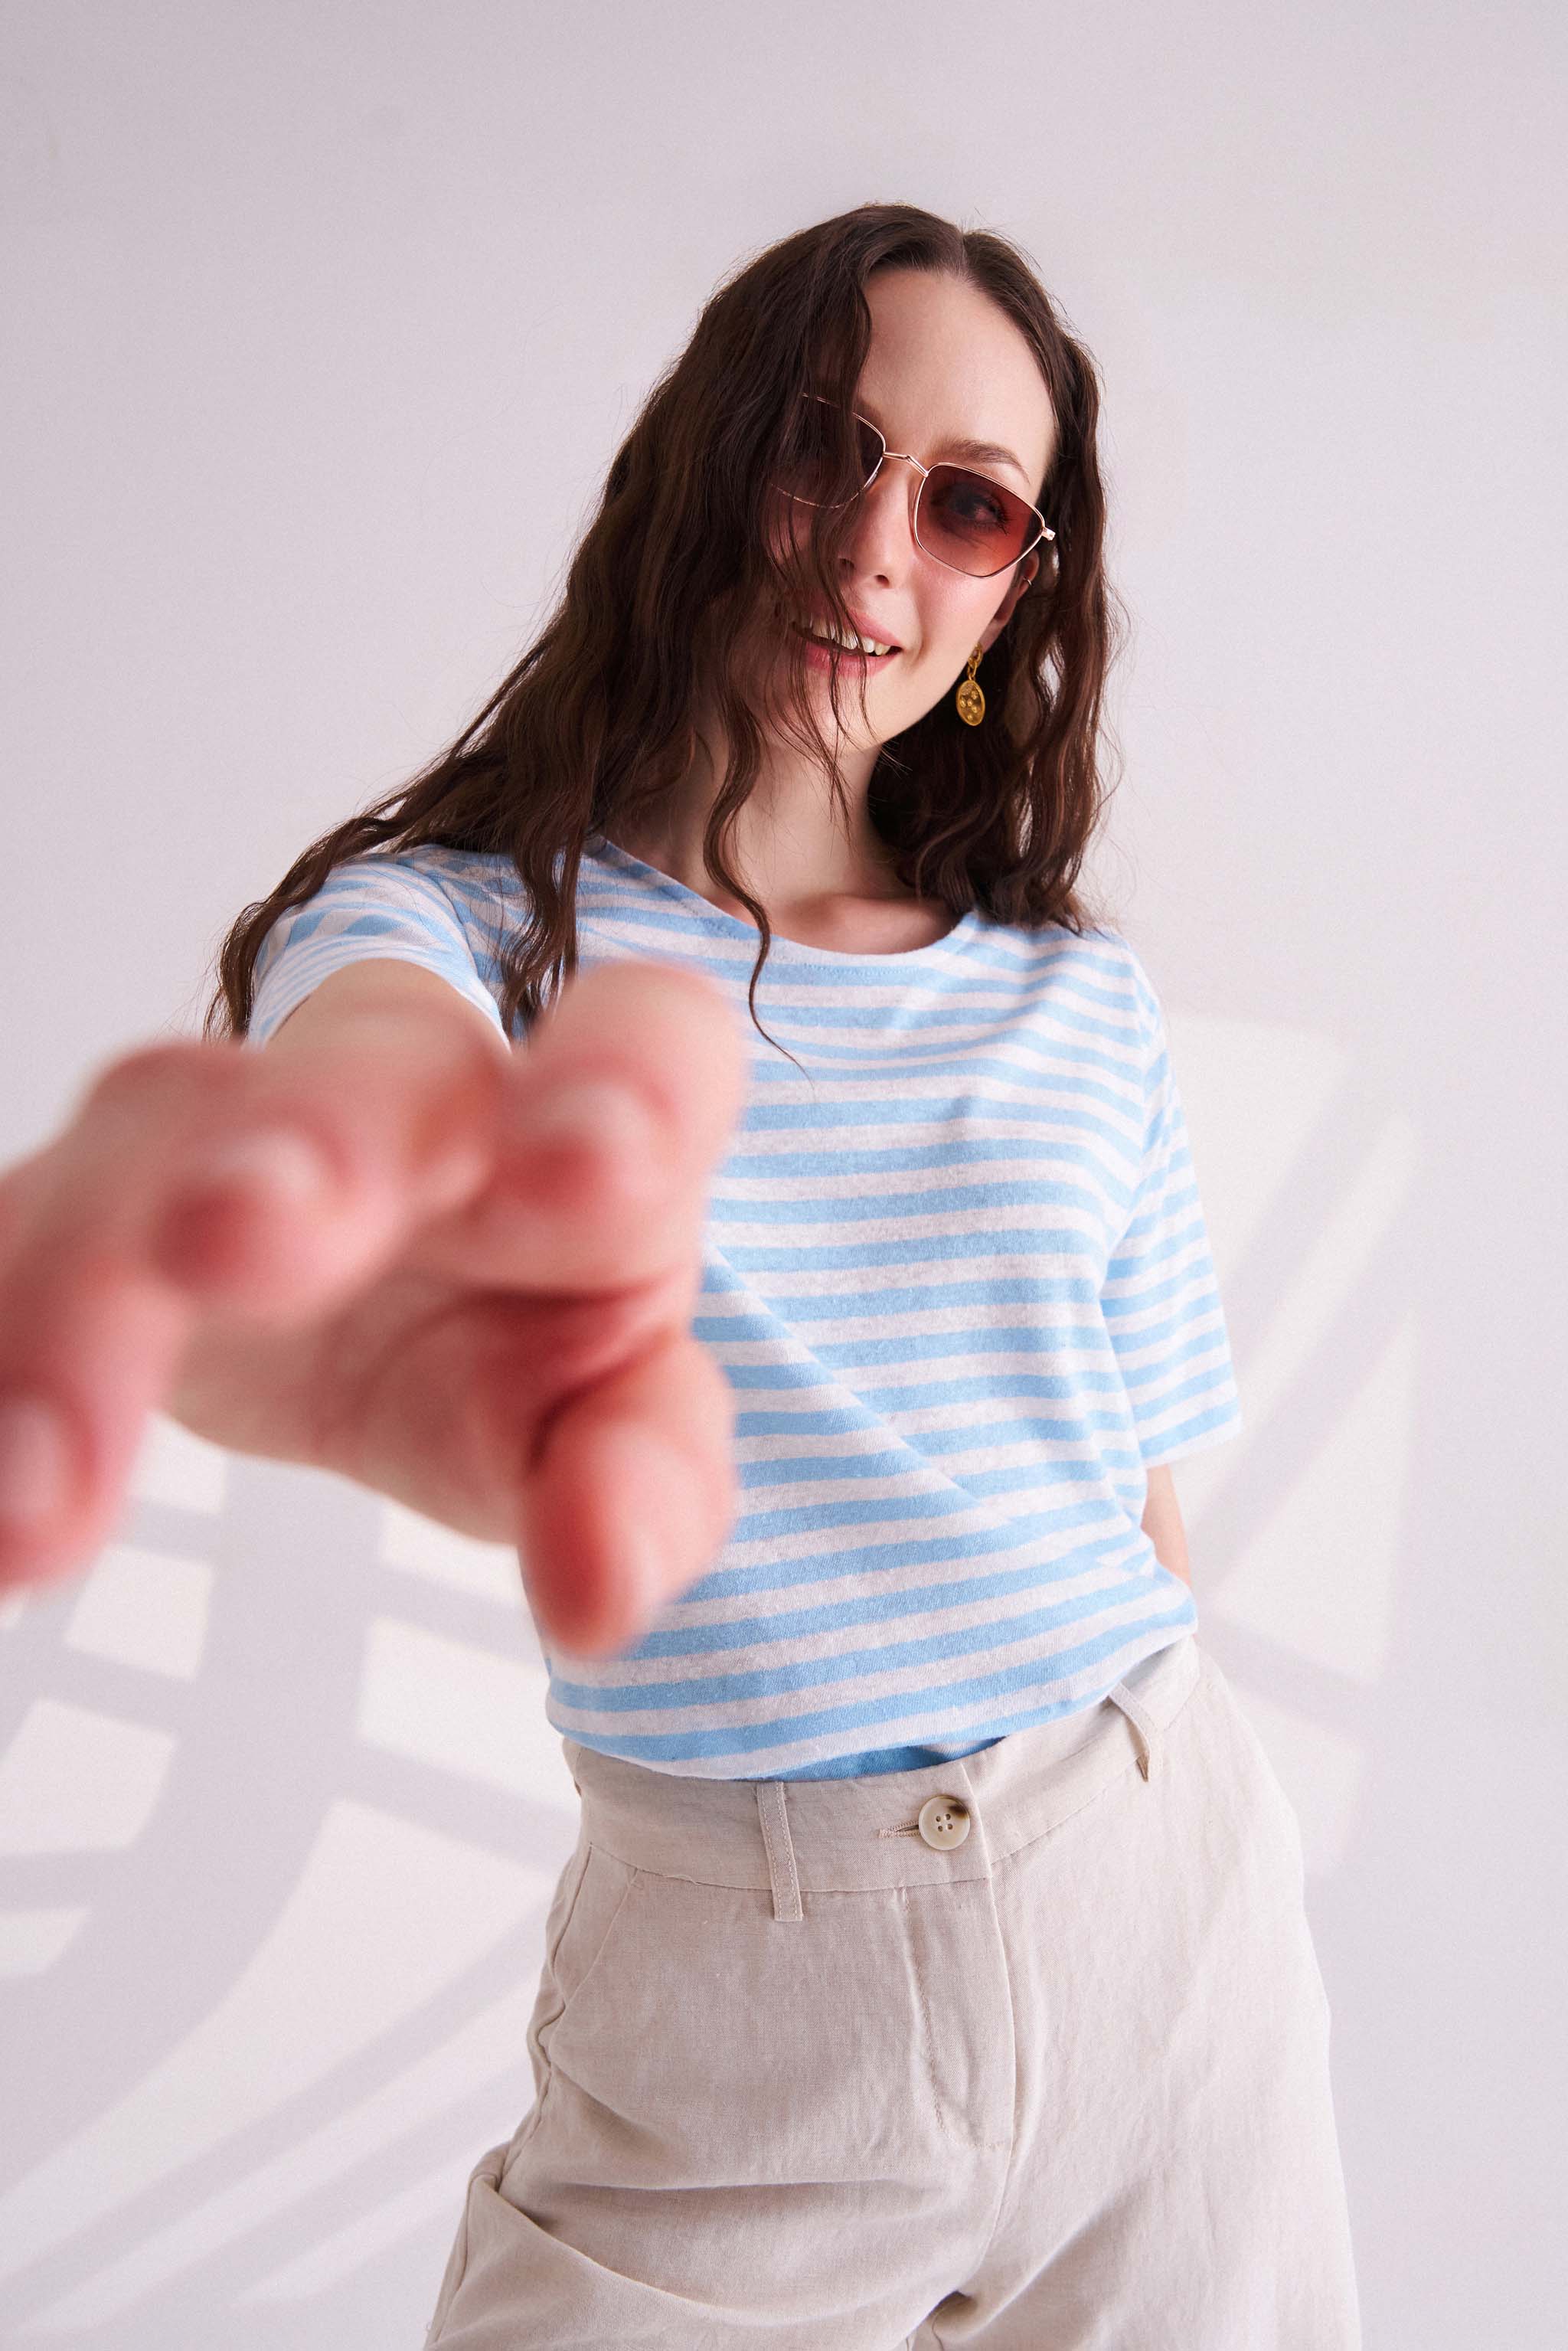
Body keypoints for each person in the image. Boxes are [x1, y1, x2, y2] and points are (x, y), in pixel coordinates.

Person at [0, 204, 1361, 2346]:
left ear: (1021, 586)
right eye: (824, 444)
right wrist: (366, 1154)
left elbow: (1145, 1504)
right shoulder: (467, 928)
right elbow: (374, 1057)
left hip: (1163, 1907)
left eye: (968, 501)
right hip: (740, 1987)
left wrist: (1216, 1853)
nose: (874, 546)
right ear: (709, 460)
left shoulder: (1074, 1000)